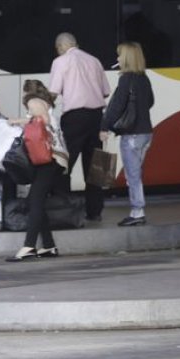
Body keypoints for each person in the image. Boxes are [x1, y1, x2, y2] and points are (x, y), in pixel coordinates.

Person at [48, 32, 110, 222]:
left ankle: (64, 208)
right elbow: (106, 92)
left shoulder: (60, 61)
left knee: (64, 163)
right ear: (76, 43)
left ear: (60, 47)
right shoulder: (94, 60)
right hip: (97, 117)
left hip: (74, 118)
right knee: (96, 166)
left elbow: (53, 92)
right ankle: (95, 212)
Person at [5, 80, 69, 261]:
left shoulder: (33, 100)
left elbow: (43, 121)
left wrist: (18, 121)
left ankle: (29, 246)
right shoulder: (44, 102)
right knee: (36, 200)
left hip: (50, 158)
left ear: (26, 92)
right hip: (55, 159)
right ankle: (49, 246)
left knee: (35, 202)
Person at [101, 41, 156, 226]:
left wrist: (104, 126)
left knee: (133, 175)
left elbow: (116, 107)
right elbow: (150, 102)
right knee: (136, 173)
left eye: (119, 55)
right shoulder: (144, 78)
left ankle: (137, 212)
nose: (117, 58)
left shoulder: (126, 79)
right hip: (146, 133)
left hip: (132, 135)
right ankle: (137, 210)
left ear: (126, 58)